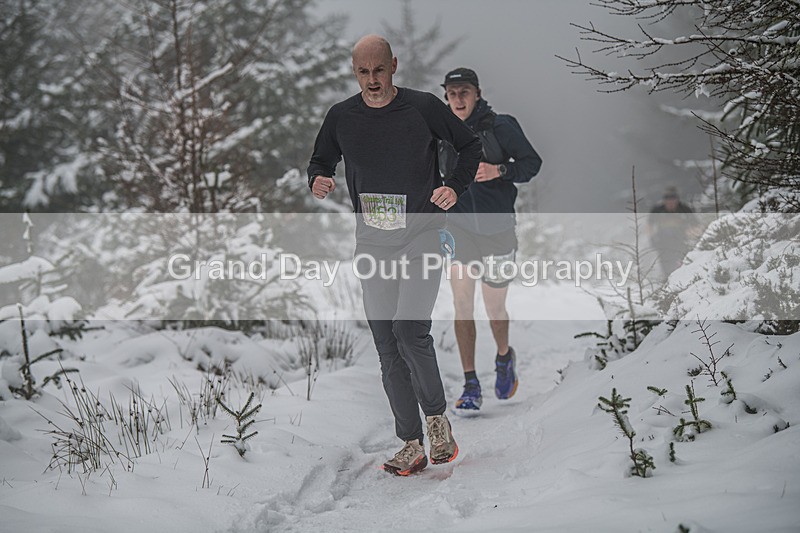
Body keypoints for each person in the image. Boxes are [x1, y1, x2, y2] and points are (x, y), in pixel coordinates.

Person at [307, 36, 482, 475]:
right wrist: (319, 179)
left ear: (393, 66)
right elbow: (320, 160)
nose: (372, 81)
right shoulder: (341, 116)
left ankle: (438, 423)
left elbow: (470, 146)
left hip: (422, 232)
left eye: (379, 71)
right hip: (373, 240)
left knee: (410, 328)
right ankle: (411, 443)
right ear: (354, 71)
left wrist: (454, 186)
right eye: (363, 72)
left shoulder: (423, 107)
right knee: (386, 343)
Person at [438, 68, 542, 415]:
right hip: (458, 230)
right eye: (452, 93)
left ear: (478, 93)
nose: (458, 99)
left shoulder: (501, 127)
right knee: (462, 303)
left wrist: (500, 171)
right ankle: (470, 383)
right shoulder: (441, 133)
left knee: (494, 306)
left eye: (464, 92)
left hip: (498, 231)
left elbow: (532, 163)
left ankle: (503, 357)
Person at [648, 185, 697, 278]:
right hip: (663, 243)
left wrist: (692, 237)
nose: (670, 200)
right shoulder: (658, 210)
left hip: (681, 242)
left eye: (673, 197)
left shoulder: (685, 209)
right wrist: (652, 238)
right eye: (667, 197)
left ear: (677, 198)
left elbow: (695, 224)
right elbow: (649, 225)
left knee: (682, 267)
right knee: (666, 268)